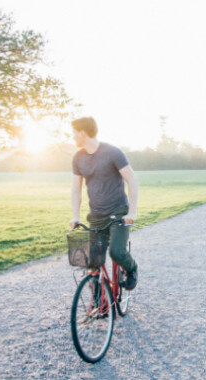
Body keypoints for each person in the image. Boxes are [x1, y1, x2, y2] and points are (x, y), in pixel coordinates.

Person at [69, 117, 138, 290]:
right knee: (92, 261)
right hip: (96, 216)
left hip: (118, 213)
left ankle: (132, 269)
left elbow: (132, 179)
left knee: (116, 252)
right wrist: (75, 216)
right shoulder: (77, 157)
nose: (72, 137)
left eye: (74, 134)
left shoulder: (113, 153)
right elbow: (76, 189)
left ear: (82, 133)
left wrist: (132, 212)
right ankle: (101, 302)